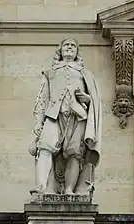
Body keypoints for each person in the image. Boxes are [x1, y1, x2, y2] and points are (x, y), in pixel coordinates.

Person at [29, 37, 102, 196]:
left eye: (73, 45)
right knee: (45, 147)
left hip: (78, 116)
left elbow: (94, 101)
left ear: (77, 52)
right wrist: (38, 122)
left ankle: (69, 189)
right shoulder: (50, 72)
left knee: (75, 153)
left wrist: (87, 99)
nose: (69, 47)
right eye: (66, 45)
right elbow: (42, 99)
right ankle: (42, 187)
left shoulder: (86, 74)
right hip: (53, 115)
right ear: (60, 50)